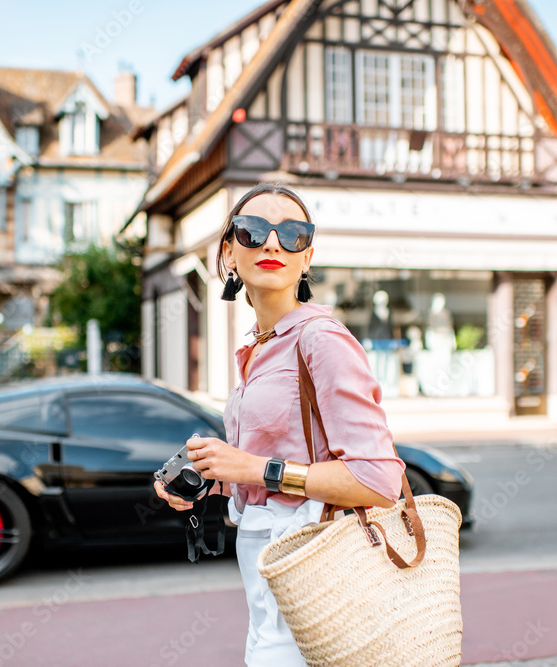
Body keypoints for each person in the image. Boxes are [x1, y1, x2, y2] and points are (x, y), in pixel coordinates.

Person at [153, 183, 406, 666]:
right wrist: (214, 479)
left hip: (317, 573)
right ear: (228, 251)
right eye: (252, 231)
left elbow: (378, 480)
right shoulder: (260, 345)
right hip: (270, 580)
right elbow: (282, 469)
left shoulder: (322, 340)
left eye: (292, 234)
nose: (272, 243)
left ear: (307, 256)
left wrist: (251, 467)